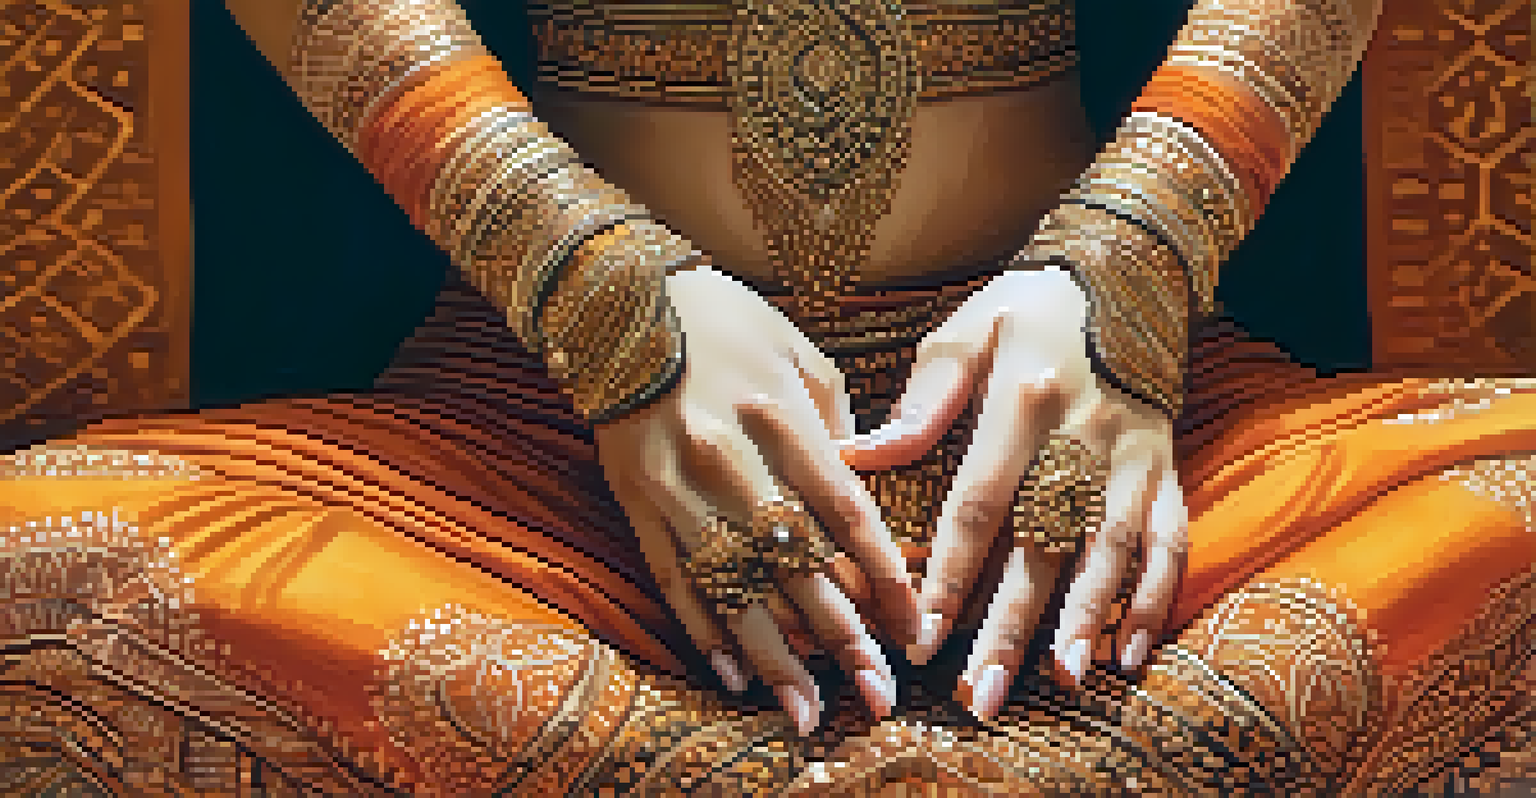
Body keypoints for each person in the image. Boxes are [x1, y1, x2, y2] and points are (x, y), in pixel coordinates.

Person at [0, 0, 1531, 794]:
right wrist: (606, 304)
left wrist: (1123, 270)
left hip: (1107, 406)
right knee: (44, 588)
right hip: (554, 440)